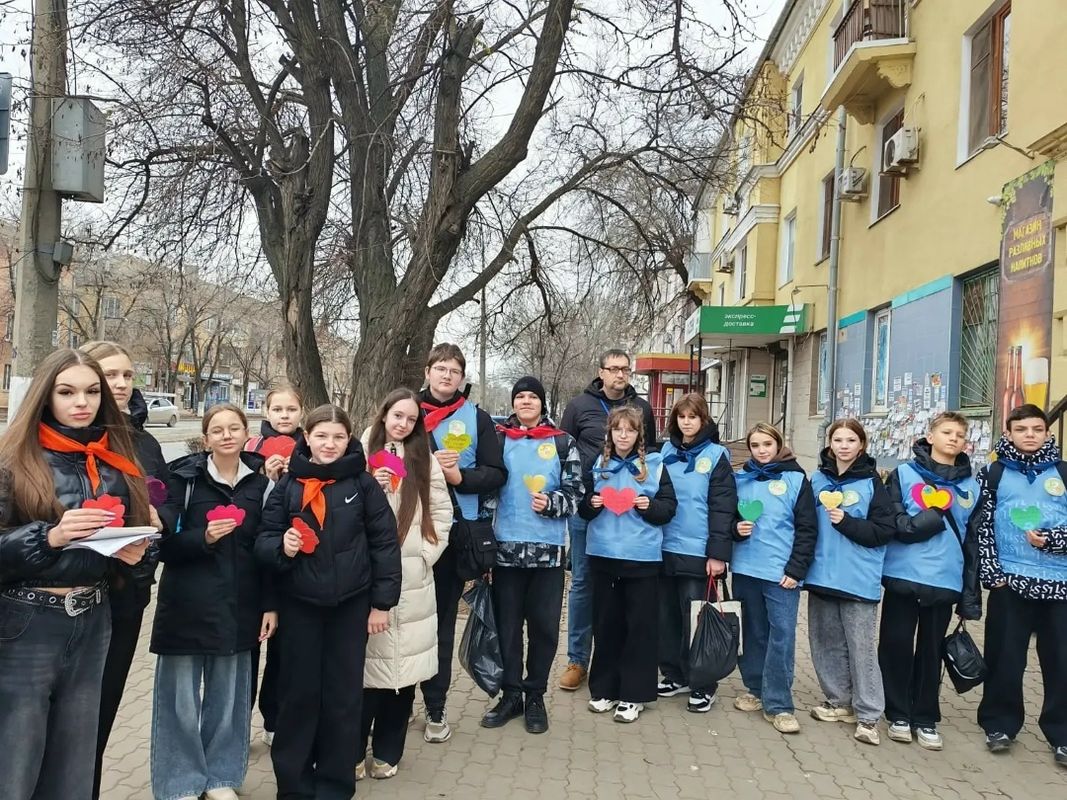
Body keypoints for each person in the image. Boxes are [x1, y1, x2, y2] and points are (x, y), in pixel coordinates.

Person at [0, 348, 153, 800]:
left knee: (74, 764)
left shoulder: (115, 460)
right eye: (67, 392)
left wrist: (134, 552)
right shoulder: (14, 459)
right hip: (28, 622)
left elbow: (134, 540)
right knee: (15, 760)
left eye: (91, 391)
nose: (81, 402)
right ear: (45, 396)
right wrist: (50, 536)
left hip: (94, 618)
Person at [256, 405, 401, 799]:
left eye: (338, 437)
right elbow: (263, 539)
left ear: (349, 438)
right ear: (307, 437)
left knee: (343, 699)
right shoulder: (289, 484)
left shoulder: (363, 484)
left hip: (349, 607)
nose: (329, 444)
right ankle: (294, 786)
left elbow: (384, 545)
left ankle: (335, 785)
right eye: (321, 436)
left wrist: (382, 603)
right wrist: (281, 547)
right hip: (299, 605)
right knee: (298, 696)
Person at [150, 403, 275, 800]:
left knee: (229, 700)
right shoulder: (183, 480)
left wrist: (270, 604)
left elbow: (266, 549)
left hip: (239, 607)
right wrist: (202, 538)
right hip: (186, 606)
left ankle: (221, 778)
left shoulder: (261, 486)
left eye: (234, 428)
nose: (226, 435)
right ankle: (181, 782)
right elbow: (163, 546)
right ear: (206, 439)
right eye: (217, 430)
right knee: (180, 703)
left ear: (246, 434)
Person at [79, 340, 177, 799]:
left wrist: (160, 519)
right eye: (109, 374)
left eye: (127, 375)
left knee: (101, 714)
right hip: (71, 595)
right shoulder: (69, 438)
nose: (119, 384)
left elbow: (167, 503)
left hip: (128, 593)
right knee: (63, 721)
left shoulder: (144, 442)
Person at [358, 390, 452, 778]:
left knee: (403, 675)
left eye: (411, 419)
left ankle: (387, 753)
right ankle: (352, 750)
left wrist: (424, 556)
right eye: (398, 415)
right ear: (384, 414)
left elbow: (442, 513)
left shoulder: (423, 458)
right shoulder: (360, 451)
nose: (403, 424)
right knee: (364, 674)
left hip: (413, 582)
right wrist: (371, 483)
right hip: (366, 578)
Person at [482, 377, 583, 733]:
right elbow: (485, 490)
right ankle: (511, 694)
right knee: (507, 627)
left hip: (547, 554)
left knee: (543, 629)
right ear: (513, 403)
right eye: (520, 396)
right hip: (505, 551)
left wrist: (553, 502)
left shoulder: (562, 442)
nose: (526, 401)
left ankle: (535, 694)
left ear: (542, 403)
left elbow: (576, 492)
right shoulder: (497, 439)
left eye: (532, 397)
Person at [417, 343, 506, 743]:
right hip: (406, 532)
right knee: (402, 621)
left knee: (440, 624)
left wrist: (460, 478)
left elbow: (496, 473)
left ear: (461, 377)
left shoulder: (476, 418)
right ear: (428, 371)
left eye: (454, 370)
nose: (446, 375)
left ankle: (435, 707)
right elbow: (382, 460)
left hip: (453, 533)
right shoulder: (405, 411)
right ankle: (396, 704)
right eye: (440, 368)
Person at [971, 404, 1067, 768]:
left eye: (1037, 429)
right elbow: (981, 527)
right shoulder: (992, 474)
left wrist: (1054, 540)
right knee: (1005, 658)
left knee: (1061, 661)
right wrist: (992, 573)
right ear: (1008, 433)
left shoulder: (1064, 472)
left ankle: (1061, 733)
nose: (1030, 435)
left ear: (1047, 433)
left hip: (1060, 584)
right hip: (1009, 581)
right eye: (1022, 429)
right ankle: (999, 724)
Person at [559, 348, 658, 692]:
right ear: (600, 372)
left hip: (629, 512)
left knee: (621, 588)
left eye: (625, 369)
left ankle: (618, 661)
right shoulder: (578, 406)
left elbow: (651, 453)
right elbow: (564, 451)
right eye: (613, 369)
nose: (620, 375)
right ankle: (577, 660)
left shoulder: (642, 408)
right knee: (583, 583)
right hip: (589, 507)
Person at [880, 411, 980, 751]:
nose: (953, 439)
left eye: (959, 435)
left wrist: (969, 595)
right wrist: (932, 517)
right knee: (895, 644)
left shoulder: (971, 486)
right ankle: (897, 712)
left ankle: (925, 716)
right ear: (930, 436)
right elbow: (894, 522)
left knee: (931, 651)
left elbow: (972, 543)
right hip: (903, 574)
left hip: (945, 579)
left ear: (965, 443)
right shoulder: (904, 474)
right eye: (947, 432)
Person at [579, 405, 676, 723]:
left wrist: (650, 506)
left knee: (640, 629)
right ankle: (605, 689)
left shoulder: (656, 465)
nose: (623, 435)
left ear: (638, 435)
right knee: (606, 625)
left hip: (642, 558)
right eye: (618, 429)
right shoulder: (598, 464)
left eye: (630, 430)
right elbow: (582, 507)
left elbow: (668, 509)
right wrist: (591, 504)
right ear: (610, 432)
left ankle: (634, 695)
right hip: (604, 555)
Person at [805, 419, 895, 745]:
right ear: (829, 444)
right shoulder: (817, 480)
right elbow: (804, 525)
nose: (844, 446)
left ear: (861, 445)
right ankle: (838, 701)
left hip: (858, 579)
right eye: (838, 440)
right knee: (825, 642)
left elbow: (883, 531)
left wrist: (846, 522)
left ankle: (868, 715)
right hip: (821, 574)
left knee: (861, 649)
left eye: (851, 440)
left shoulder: (872, 483)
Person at [731, 422, 816, 735]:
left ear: (779, 445)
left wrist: (796, 570)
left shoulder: (796, 479)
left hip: (781, 574)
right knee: (753, 632)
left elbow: (807, 529)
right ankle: (756, 689)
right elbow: (727, 518)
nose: (762, 450)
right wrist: (735, 530)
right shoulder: (741, 478)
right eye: (755, 445)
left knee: (781, 636)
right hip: (745, 568)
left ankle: (779, 704)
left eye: (767, 444)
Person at [657, 393, 735, 713]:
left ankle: (703, 683)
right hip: (664, 547)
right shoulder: (664, 452)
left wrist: (718, 554)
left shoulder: (717, 455)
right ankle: (675, 674)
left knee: (698, 620)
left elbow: (723, 508)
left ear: (704, 420)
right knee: (667, 618)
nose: (687, 422)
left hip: (699, 552)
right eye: (681, 417)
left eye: (693, 417)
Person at [244, 384, 304, 746]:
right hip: (254, 560)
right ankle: (239, 724)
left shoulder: (309, 448)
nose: (284, 416)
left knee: (282, 652)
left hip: (292, 561)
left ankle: (274, 719)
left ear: (301, 412)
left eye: (291, 409)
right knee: (248, 650)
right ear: (267, 412)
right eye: (278, 409)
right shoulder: (250, 447)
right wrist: (265, 475)